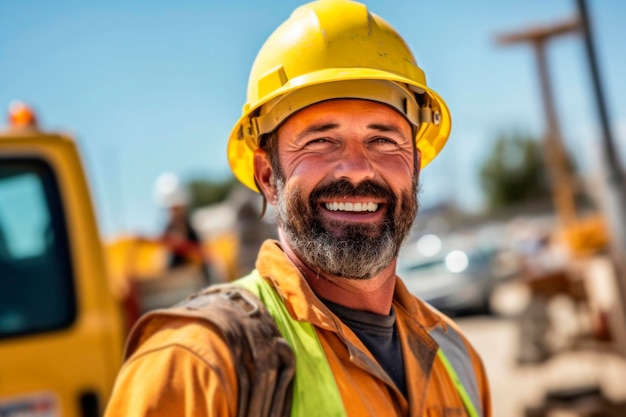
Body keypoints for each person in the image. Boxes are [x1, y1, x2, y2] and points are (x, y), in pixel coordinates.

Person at [105, 1, 491, 416]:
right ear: (268, 176)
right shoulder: (196, 364)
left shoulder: (456, 356)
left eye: (383, 140)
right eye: (321, 141)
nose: (359, 170)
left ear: (414, 165)